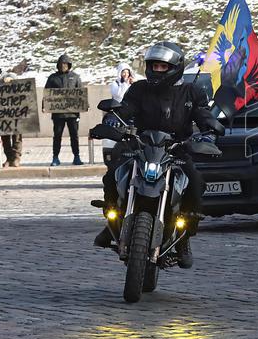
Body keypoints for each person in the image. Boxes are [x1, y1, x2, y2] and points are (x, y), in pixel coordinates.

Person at [95, 41, 223, 269]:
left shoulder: (191, 91)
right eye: (153, 65)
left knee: (196, 183)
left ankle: (184, 239)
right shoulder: (139, 88)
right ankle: (110, 223)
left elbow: (202, 113)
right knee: (113, 174)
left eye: (162, 67)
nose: (157, 70)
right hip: (142, 144)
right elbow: (126, 109)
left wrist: (208, 129)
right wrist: (113, 121)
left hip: (176, 147)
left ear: (175, 67)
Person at [45, 53, 83, 166]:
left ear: (69, 65)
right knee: (57, 136)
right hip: (58, 114)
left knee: (74, 136)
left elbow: (81, 93)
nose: (63, 66)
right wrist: (44, 105)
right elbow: (47, 94)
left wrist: (84, 105)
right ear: (58, 65)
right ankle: (55, 157)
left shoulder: (75, 77)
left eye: (65, 64)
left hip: (73, 114)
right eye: (61, 64)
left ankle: (77, 156)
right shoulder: (53, 78)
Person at [0, 66, 24, 167]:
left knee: (16, 137)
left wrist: (10, 79)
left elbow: (13, 76)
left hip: (15, 113)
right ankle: (9, 158)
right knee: (5, 138)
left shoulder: (6, 77)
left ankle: (16, 158)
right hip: (2, 115)